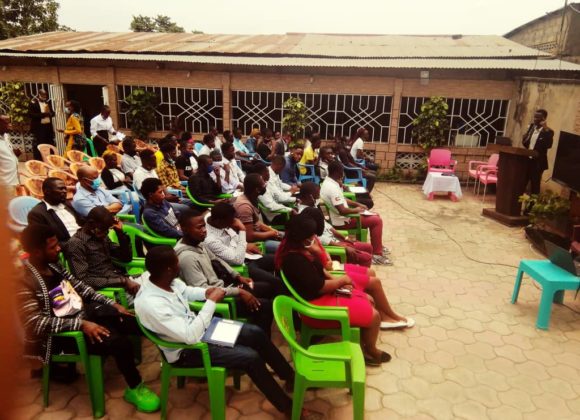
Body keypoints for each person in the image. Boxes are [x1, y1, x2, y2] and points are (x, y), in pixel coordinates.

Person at [134, 246, 320, 418]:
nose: (179, 266)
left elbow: (188, 291)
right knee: (250, 357)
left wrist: (207, 293)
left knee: (254, 333)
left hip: (201, 330)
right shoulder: (152, 304)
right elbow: (189, 337)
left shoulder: (168, 281)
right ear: (168, 269)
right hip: (187, 350)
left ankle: (290, 378)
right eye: (176, 264)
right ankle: (289, 409)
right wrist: (211, 303)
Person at [18, 224, 160, 412]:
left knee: (132, 321)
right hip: (61, 336)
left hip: (83, 317)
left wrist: (112, 304)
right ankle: (135, 388)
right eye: (52, 247)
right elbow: (35, 323)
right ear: (36, 252)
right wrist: (81, 324)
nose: (59, 248)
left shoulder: (53, 265)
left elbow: (81, 287)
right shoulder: (23, 281)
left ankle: (175, 356)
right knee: (120, 343)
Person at [276, 214, 412, 366]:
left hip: (318, 295)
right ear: (302, 238)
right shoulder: (294, 260)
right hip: (313, 304)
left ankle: (366, 342)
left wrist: (337, 281)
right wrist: (341, 281)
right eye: (311, 235)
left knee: (369, 300)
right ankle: (370, 351)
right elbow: (319, 287)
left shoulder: (301, 251)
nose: (314, 237)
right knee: (373, 316)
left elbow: (320, 271)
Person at [174, 209, 274, 331]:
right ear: (184, 229)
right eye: (199, 228)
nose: (204, 230)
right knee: (265, 306)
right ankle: (257, 337)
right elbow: (204, 291)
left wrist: (237, 276)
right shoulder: (187, 258)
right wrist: (238, 291)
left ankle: (256, 323)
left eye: (204, 226)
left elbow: (217, 259)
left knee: (268, 288)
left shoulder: (198, 243)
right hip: (222, 300)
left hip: (227, 285)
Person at [205, 202, 284, 296]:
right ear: (218, 221)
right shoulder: (211, 240)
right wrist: (242, 230)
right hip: (243, 266)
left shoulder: (219, 220)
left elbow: (236, 239)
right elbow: (238, 260)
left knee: (283, 259)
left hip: (249, 257)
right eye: (230, 221)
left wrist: (246, 245)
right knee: (276, 282)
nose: (234, 223)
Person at [320, 161, 390, 265]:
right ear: (338, 172)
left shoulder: (329, 182)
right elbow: (342, 211)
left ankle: (377, 245)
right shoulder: (332, 188)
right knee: (376, 221)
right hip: (343, 221)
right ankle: (377, 254)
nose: (343, 174)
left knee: (376, 216)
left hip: (340, 217)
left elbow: (342, 199)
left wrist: (358, 204)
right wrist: (356, 210)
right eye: (342, 171)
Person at [64, 206, 141, 295]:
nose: (106, 233)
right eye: (103, 229)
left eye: (108, 230)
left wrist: (120, 233)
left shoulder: (102, 236)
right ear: (91, 223)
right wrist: (122, 281)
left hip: (122, 280)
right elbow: (83, 280)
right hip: (111, 291)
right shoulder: (76, 244)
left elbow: (126, 258)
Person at [297, 182, 374, 267]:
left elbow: (327, 226)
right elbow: (318, 238)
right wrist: (343, 246)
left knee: (368, 247)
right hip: (330, 248)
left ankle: (358, 270)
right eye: (317, 195)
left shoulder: (312, 206)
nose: (319, 197)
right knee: (366, 258)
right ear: (310, 196)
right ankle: (359, 275)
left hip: (336, 240)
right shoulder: (304, 215)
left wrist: (345, 238)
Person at [234, 173, 282, 253]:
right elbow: (249, 236)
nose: (265, 184)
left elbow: (257, 222)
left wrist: (272, 230)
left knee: (289, 238)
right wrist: (270, 234)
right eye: (263, 183)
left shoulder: (252, 198)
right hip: (254, 243)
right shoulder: (244, 207)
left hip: (261, 235)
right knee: (289, 249)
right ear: (257, 190)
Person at [28, 177, 81, 246]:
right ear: (47, 191)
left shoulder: (67, 204)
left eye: (65, 188)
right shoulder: (37, 214)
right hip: (68, 246)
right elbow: (44, 242)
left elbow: (81, 222)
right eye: (60, 189)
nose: (65, 191)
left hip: (83, 239)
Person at [522, 109, 554, 195]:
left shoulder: (548, 131)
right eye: (534, 116)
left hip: (537, 163)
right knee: (522, 183)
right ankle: (516, 205)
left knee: (534, 186)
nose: (535, 119)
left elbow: (549, 145)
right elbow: (526, 144)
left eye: (537, 117)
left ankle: (531, 208)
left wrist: (545, 128)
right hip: (527, 160)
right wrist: (525, 136)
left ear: (543, 119)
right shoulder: (532, 127)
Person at [28, 89, 55, 160]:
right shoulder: (33, 103)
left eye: (45, 95)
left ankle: (51, 158)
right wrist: (43, 115)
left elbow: (52, 112)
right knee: (39, 144)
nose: (44, 96)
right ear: (39, 95)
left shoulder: (47, 103)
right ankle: (39, 159)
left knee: (50, 143)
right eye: (43, 94)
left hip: (48, 127)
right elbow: (31, 115)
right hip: (39, 128)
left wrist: (51, 114)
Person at [0, 115, 20, 195]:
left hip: (14, 181)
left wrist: (15, 154)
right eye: (7, 123)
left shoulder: (6, 136)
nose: (10, 125)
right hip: (4, 185)